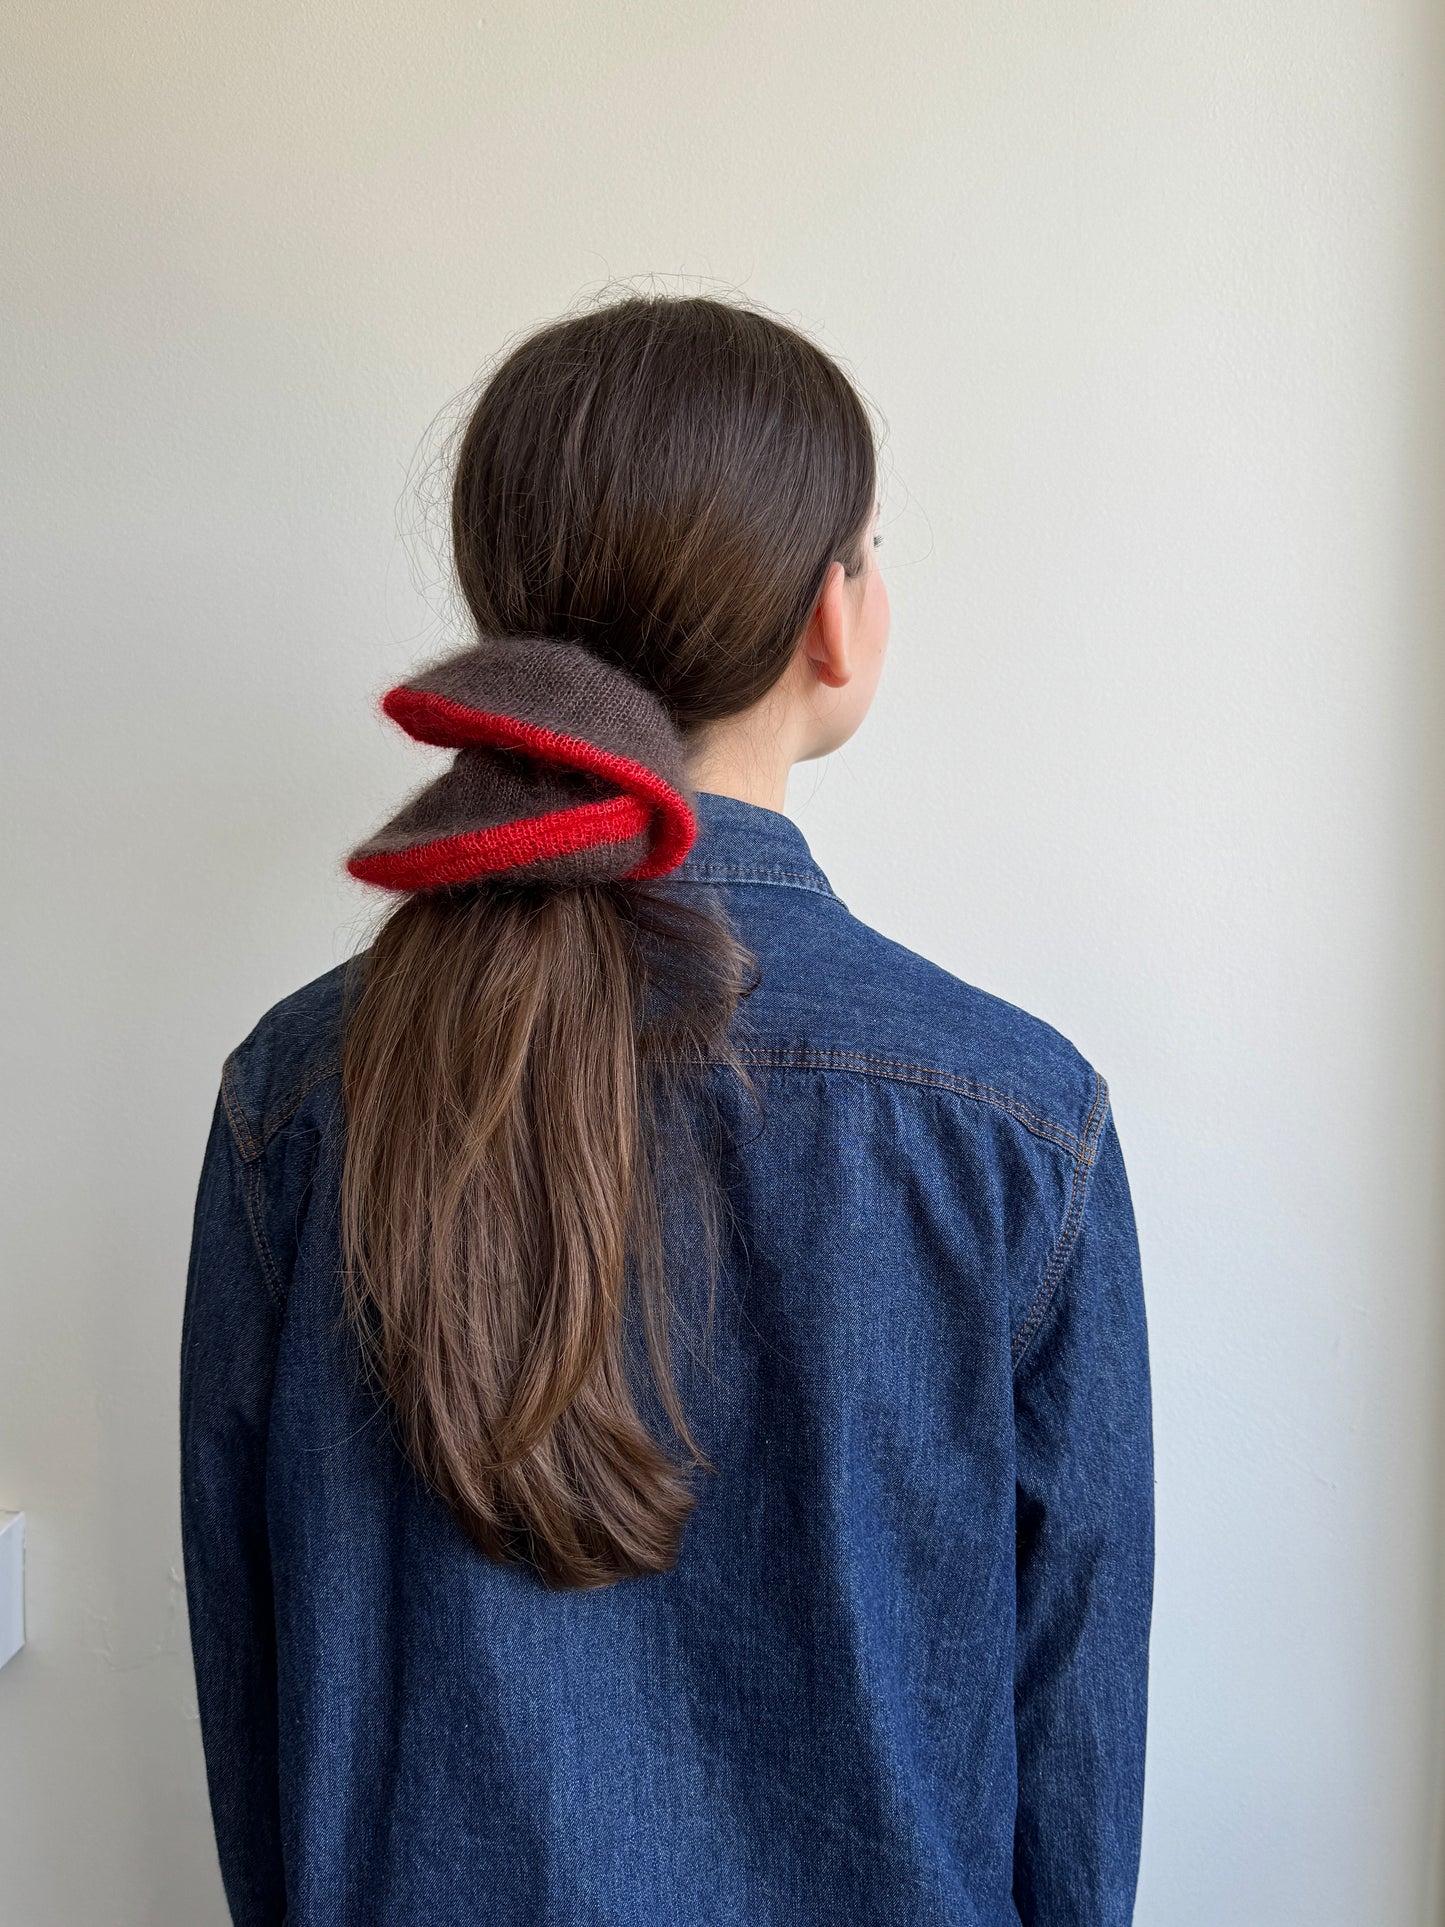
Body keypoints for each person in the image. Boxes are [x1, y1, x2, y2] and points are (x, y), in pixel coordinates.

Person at [180, 290, 1154, 1927]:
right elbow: (1070, 1749)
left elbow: (258, 1700)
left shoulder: (298, 1097)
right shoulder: (1015, 1119)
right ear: (831, 622)